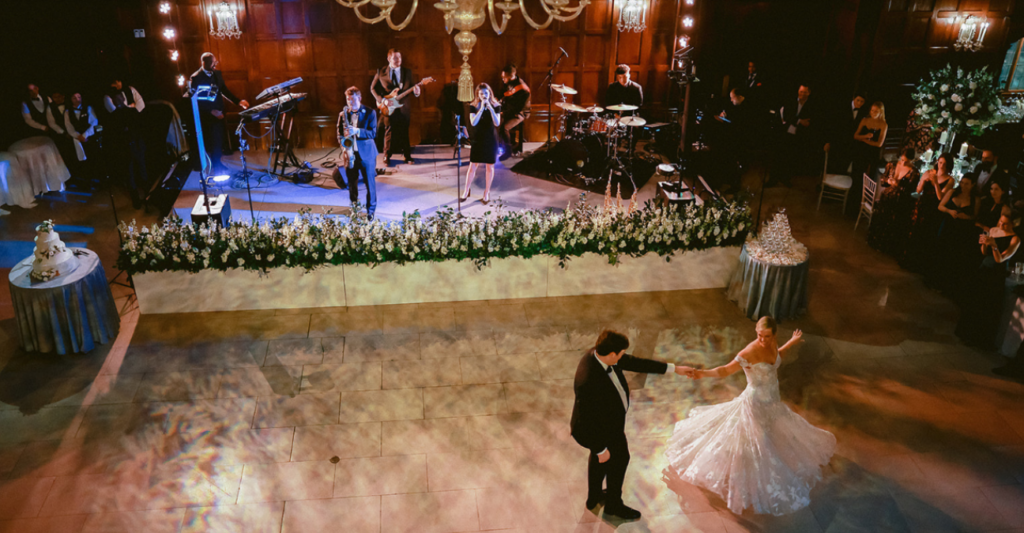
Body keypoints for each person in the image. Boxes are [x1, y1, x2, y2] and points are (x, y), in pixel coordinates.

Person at [665, 317, 836, 516]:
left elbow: (777, 356)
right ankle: (746, 475)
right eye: (759, 336)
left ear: (774, 335)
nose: (763, 340)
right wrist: (703, 373)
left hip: (772, 399)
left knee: (773, 432)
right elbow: (725, 370)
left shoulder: (772, 345)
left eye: (767, 336)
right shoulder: (749, 351)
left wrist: (791, 342)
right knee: (755, 440)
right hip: (755, 402)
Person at [571, 328, 687, 521]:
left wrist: (673, 368)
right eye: (621, 354)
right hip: (603, 430)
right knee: (619, 460)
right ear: (611, 354)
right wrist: (600, 448)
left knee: (600, 462)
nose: (624, 356)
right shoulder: (588, 381)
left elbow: (634, 363)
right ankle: (613, 505)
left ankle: (594, 498)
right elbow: (584, 423)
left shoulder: (600, 354)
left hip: (609, 423)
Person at [956, 214, 1019, 348]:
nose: (1001, 225)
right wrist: (984, 244)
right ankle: (967, 333)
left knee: (987, 305)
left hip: (996, 274)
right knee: (975, 302)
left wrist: (994, 246)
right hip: (984, 268)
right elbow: (984, 253)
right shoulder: (994, 230)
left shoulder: (1015, 239)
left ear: (1014, 224)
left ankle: (979, 339)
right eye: (1001, 221)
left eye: (1006, 223)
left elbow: (1000, 260)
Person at [187, 53, 249, 175]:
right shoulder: (196, 77)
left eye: (215, 61)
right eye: (212, 62)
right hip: (207, 116)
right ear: (204, 63)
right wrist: (211, 111)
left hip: (219, 113)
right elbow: (195, 100)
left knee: (219, 140)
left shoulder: (217, 74)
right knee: (213, 141)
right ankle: (216, 167)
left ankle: (217, 163)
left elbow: (223, 90)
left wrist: (238, 101)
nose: (215, 64)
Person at [902, 153, 956, 272]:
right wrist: (923, 180)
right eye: (940, 162)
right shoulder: (930, 172)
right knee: (916, 231)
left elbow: (940, 197)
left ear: (949, 166)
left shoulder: (950, 180)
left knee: (926, 235)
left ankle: (920, 264)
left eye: (945, 164)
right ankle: (909, 260)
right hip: (922, 205)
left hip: (934, 210)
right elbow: (918, 190)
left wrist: (936, 182)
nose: (942, 166)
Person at [929, 173, 977, 296]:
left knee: (953, 257)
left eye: (967, 184)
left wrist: (966, 216)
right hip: (947, 225)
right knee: (941, 251)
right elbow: (940, 206)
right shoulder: (952, 192)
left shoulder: (975, 200)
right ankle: (934, 281)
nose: (963, 186)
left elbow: (974, 217)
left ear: (973, 185)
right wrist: (950, 211)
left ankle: (947, 285)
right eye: (962, 182)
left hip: (961, 231)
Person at [371, 49, 421, 166]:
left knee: (404, 131)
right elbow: (372, 89)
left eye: (399, 57)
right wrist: (382, 100)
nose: (398, 60)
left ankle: (407, 155)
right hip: (387, 106)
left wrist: (417, 92)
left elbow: (413, 88)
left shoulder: (407, 72)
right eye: (395, 58)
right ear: (388, 59)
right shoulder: (381, 72)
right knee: (389, 131)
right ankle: (387, 156)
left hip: (403, 107)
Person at [867, 148, 920, 257]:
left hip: (899, 203)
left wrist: (898, 186)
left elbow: (910, 191)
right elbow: (883, 180)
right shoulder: (891, 165)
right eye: (902, 159)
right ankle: (876, 242)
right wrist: (888, 181)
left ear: (912, 160)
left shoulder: (914, 172)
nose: (903, 162)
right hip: (886, 198)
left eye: (907, 161)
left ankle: (887, 247)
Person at [338, 87, 379, 221]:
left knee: (370, 185)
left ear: (359, 98)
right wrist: (344, 147)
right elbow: (338, 134)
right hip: (350, 154)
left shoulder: (370, 112)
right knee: (352, 184)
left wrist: (357, 131)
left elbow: (372, 133)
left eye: (352, 99)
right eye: (347, 99)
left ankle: (370, 211)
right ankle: (354, 208)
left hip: (367, 154)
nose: (350, 102)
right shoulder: (343, 114)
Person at [460, 84, 501, 205]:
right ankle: (466, 190)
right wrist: (482, 108)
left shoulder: (496, 105)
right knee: (473, 166)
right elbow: (473, 122)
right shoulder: (473, 106)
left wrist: (491, 108)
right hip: (478, 138)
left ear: (490, 93)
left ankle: (486, 192)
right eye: (481, 94)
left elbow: (497, 123)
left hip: (491, 139)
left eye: (486, 93)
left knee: (490, 167)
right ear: (478, 94)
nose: (484, 96)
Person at [773, 84, 818, 187]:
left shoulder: (811, 105)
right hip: (784, 131)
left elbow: (810, 120)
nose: (802, 94)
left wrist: (801, 122)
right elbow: (787, 115)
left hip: (799, 135)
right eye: (800, 91)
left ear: (809, 93)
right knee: (778, 156)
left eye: (804, 92)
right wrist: (799, 121)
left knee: (790, 157)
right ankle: (773, 178)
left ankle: (786, 178)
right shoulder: (791, 101)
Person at [824, 94, 866, 175]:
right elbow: (832, 125)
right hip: (837, 142)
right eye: (858, 100)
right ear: (853, 98)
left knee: (843, 168)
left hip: (850, 144)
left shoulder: (863, 112)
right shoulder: (842, 107)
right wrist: (828, 141)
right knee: (832, 165)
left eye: (862, 102)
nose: (859, 103)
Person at [498, 64, 530, 159]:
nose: (503, 80)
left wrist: (504, 113)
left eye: (504, 77)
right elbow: (503, 93)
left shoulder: (523, 89)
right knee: (495, 122)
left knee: (504, 127)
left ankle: (508, 151)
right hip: (509, 109)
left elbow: (518, 108)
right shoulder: (509, 82)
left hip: (521, 112)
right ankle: (500, 146)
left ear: (511, 76)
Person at [63, 92, 100, 175]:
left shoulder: (88, 108)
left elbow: (94, 122)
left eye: (79, 97)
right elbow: (68, 126)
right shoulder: (67, 112)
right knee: (78, 160)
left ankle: (91, 179)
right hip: (76, 139)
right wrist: (77, 136)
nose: (77, 100)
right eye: (74, 98)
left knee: (91, 158)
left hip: (88, 137)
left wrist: (85, 135)